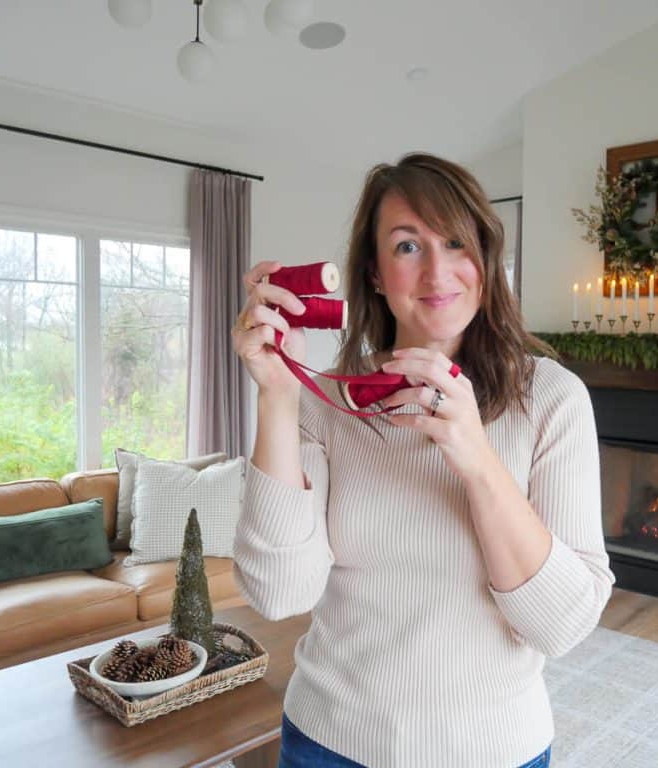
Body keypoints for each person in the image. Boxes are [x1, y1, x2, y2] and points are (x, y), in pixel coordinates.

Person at [231, 153, 615, 768]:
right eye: (408, 246)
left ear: (485, 262)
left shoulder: (552, 399)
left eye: (458, 243)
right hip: (330, 743)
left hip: (495, 751)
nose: (439, 272)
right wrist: (278, 396)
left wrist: (476, 457)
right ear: (376, 274)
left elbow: (563, 625)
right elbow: (278, 593)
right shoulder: (325, 402)